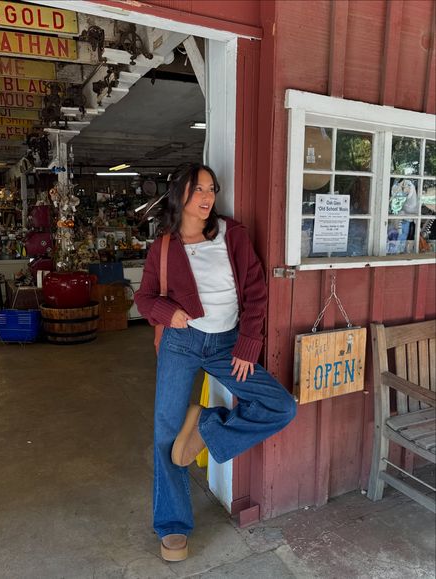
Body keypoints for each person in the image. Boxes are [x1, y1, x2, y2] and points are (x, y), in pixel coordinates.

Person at [134, 162, 297, 562]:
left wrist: (247, 344)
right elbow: (144, 298)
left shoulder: (232, 233)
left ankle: (207, 427)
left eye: (212, 189)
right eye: (198, 190)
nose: (208, 197)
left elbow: (256, 294)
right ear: (180, 196)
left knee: (282, 406)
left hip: (228, 344)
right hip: (181, 343)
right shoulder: (165, 246)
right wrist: (165, 312)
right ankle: (173, 525)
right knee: (166, 433)